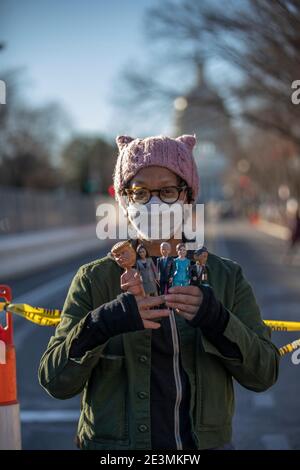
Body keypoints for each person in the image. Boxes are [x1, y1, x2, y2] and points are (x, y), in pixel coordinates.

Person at [39, 134, 280, 451]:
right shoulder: (94, 279)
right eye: (140, 192)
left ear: (188, 197)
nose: (153, 203)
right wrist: (104, 322)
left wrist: (217, 319)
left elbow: (263, 373)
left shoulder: (226, 277)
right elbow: (55, 380)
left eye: (167, 191)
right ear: (125, 201)